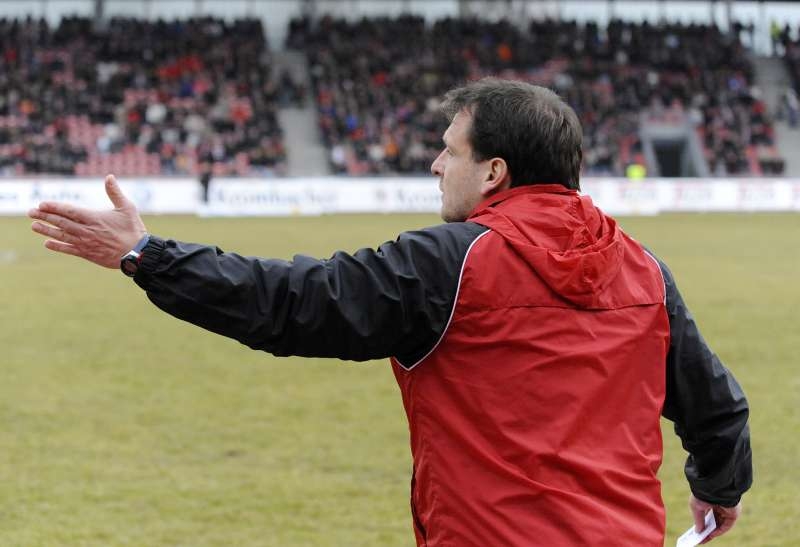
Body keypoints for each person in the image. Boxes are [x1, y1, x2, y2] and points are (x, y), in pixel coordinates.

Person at [29, 79, 751, 546]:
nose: (436, 165)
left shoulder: (450, 263)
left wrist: (147, 256)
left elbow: (291, 303)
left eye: (449, 151)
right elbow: (717, 408)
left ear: (494, 171)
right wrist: (719, 489)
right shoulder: (645, 270)